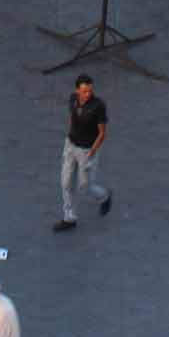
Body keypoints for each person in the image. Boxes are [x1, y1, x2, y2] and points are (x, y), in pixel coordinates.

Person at [54, 75, 111, 232]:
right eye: (85, 91)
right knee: (66, 183)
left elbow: (102, 133)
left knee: (84, 186)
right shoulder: (73, 99)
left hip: (87, 150)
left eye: (90, 91)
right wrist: (70, 136)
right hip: (71, 146)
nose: (88, 94)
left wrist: (91, 152)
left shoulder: (98, 106)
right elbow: (72, 117)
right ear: (77, 90)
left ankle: (105, 196)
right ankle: (69, 218)